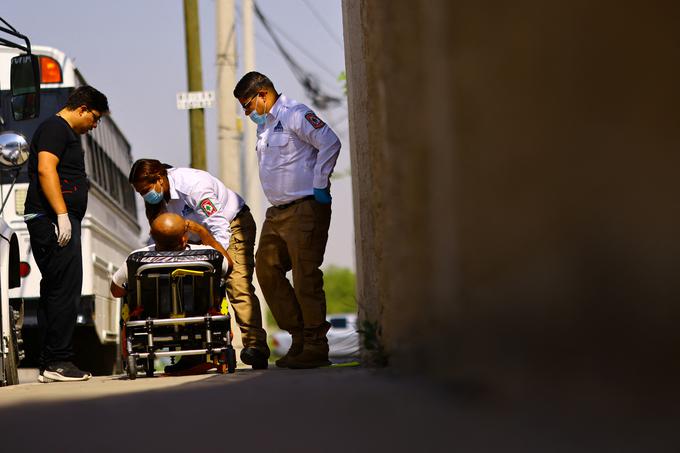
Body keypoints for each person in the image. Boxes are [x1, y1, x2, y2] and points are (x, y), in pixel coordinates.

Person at [233, 72, 341, 368]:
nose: (246, 112)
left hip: (305, 206)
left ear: (263, 95)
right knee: (266, 268)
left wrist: (321, 183)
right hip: (277, 213)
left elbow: (330, 142)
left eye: (247, 105)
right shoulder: (266, 126)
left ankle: (317, 345)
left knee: (306, 275)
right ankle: (300, 338)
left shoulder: (295, 114)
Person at [128, 159, 270, 369]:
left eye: (146, 190)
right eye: (140, 193)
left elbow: (219, 227)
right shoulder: (158, 200)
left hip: (231, 226)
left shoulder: (193, 186)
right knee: (188, 288)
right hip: (194, 237)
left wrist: (217, 262)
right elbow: (159, 234)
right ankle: (193, 354)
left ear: (159, 178)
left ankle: (256, 346)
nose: (145, 196)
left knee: (236, 282)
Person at [23, 86, 109, 383]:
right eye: (95, 118)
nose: (95, 125)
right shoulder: (55, 129)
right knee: (65, 290)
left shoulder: (61, 131)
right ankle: (59, 361)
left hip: (53, 218)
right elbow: (47, 170)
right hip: (51, 218)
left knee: (55, 289)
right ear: (83, 109)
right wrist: (61, 214)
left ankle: (50, 362)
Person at [111, 212, 229, 375]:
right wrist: (204, 233)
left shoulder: (137, 258)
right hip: (200, 320)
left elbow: (116, 291)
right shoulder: (208, 255)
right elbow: (229, 266)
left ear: (151, 235)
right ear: (184, 238)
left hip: (152, 321)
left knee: (127, 295)